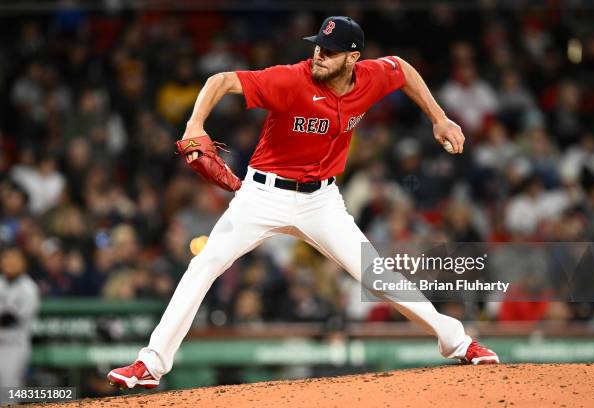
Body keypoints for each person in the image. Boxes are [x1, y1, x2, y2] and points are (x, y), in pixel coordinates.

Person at [108, 16, 499, 389]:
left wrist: (439, 117)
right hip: (263, 194)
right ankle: (151, 363)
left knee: (376, 274)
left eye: (329, 51)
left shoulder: (370, 78)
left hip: (322, 201)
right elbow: (221, 80)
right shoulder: (290, 80)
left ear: (352, 58)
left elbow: (402, 69)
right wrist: (195, 124)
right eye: (317, 47)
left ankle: (458, 342)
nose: (318, 55)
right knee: (205, 263)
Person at [0, 247, 40, 403]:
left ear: (23, 263)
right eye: (6, 258)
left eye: (14, 258)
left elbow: (10, 319)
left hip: (14, 347)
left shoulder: (28, 288)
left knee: (9, 392)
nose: (10, 262)